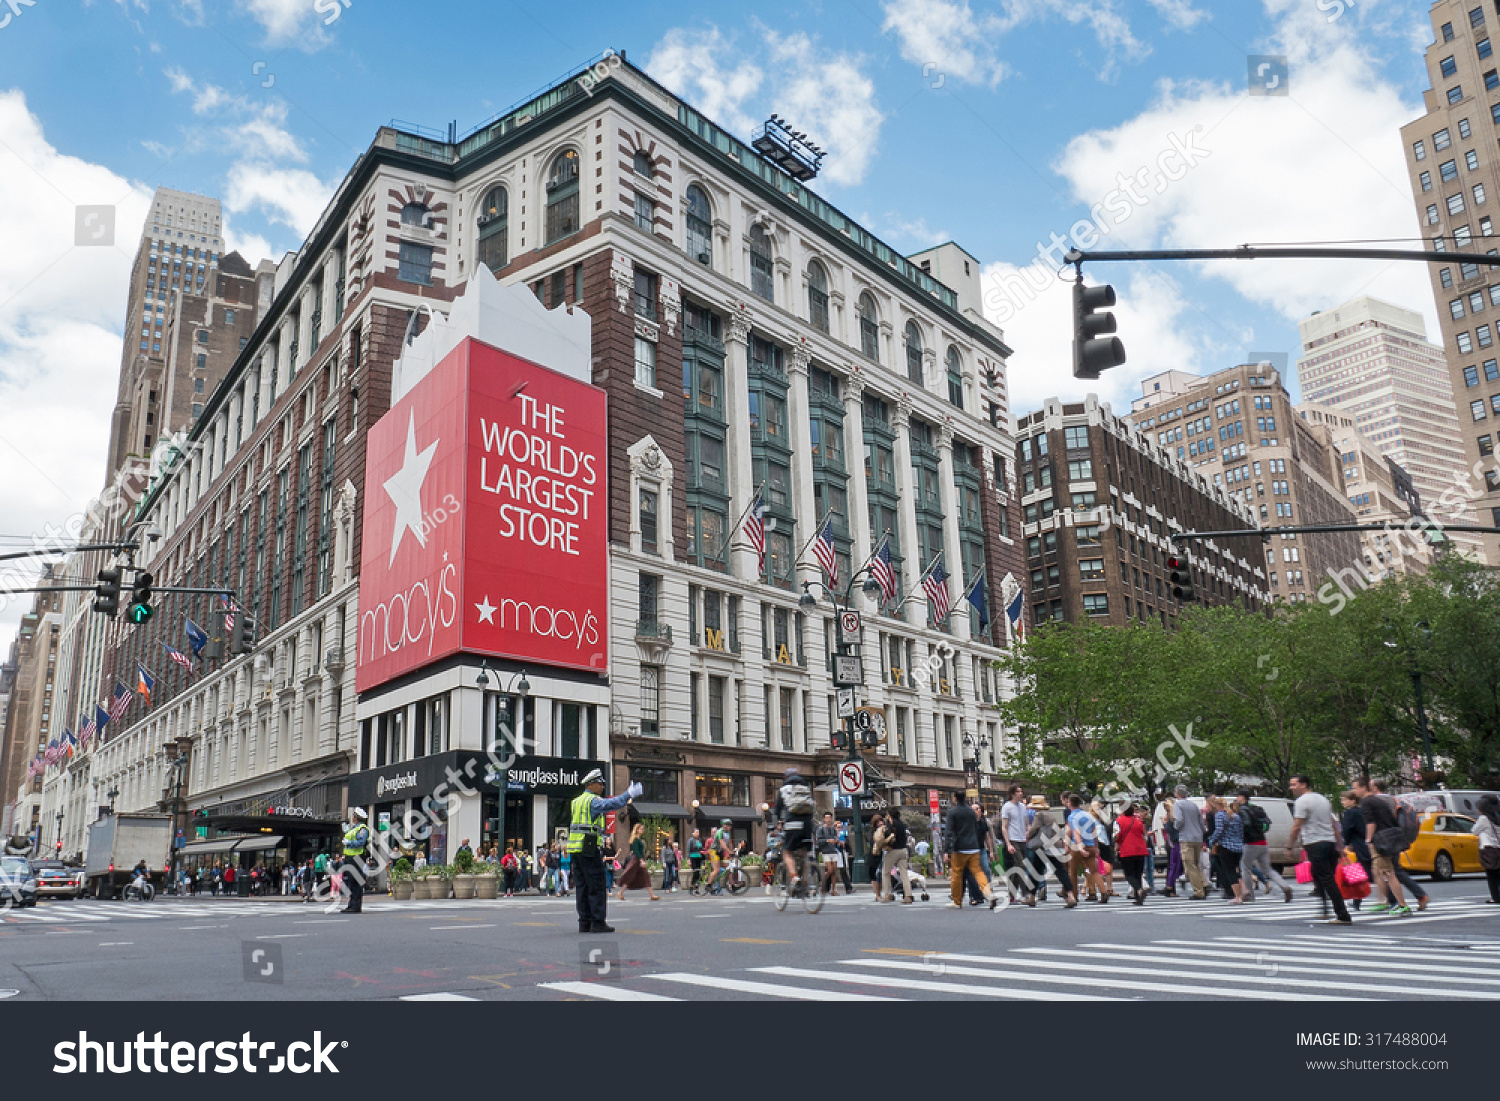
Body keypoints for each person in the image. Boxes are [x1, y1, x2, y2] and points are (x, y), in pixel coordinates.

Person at [566, 768, 643, 934]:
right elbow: (611, 804)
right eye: (600, 784)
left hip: (575, 849)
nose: (602, 787)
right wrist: (628, 794)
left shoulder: (576, 801)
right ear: (591, 784)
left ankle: (584, 922)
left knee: (582, 886)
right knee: (597, 884)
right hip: (588, 848)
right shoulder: (592, 801)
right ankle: (597, 922)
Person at [1289, 774, 1350, 925]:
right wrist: (1339, 846)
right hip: (1329, 842)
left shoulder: (1302, 801)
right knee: (1319, 876)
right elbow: (1333, 824)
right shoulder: (1323, 799)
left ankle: (1343, 915)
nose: (1291, 788)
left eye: (1294, 784)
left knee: (1327, 879)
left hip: (1315, 843)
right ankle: (1325, 909)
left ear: (1304, 785)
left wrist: (1290, 844)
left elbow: (1297, 825)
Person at [1352, 777, 1409, 916]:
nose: (1354, 791)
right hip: (1388, 839)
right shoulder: (1378, 800)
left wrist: (1368, 840)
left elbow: (1371, 823)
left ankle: (1402, 904)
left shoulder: (1366, 802)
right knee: (1377, 871)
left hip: (1380, 841)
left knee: (1388, 873)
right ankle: (1384, 901)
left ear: (1363, 787)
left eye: (1355, 788)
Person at [1236, 791, 1293, 903]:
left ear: (1243, 797)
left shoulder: (1242, 810)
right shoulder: (1258, 809)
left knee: (1245, 868)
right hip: (1262, 841)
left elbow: (1246, 824)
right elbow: (1267, 821)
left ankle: (1249, 894)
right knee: (1267, 869)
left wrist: (1242, 834)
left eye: (1238, 796)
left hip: (1250, 843)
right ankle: (1285, 886)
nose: (1237, 799)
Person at [944, 791, 999, 910]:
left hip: (959, 848)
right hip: (974, 846)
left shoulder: (952, 812)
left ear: (955, 798)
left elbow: (948, 832)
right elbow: (976, 828)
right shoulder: (971, 812)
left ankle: (957, 901)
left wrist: (946, 850)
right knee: (978, 872)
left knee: (957, 874)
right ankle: (988, 893)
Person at [773, 768, 816, 892]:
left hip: (792, 823)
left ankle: (794, 876)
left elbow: (777, 810)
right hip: (807, 824)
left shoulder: (783, 789)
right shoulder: (806, 789)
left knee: (787, 852)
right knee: (804, 853)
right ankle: (807, 881)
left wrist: (774, 825)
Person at [1065, 794, 1106, 904]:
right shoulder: (1087, 815)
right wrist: (1096, 846)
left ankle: (1074, 896)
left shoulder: (1072, 816)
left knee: (1072, 872)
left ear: (1069, 803)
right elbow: (1094, 832)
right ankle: (1103, 892)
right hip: (1091, 845)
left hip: (1077, 847)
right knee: (1094, 871)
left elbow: (1075, 833)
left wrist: (1078, 847)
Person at [1205, 795, 1246, 903]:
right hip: (1238, 847)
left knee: (1230, 871)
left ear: (1218, 805)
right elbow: (1241, 831)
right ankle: (1242, 892)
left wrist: (1212, 840)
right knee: (1237, 870)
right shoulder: (1235, 816)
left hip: (1226, 846)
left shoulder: (1219, 815)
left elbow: (1219, 830)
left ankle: (1237, 896)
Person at [1000, 785, 1035, 906]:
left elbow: (1026, 823)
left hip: (1022, 839)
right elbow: (1004, 827)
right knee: (1021, 866)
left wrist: (1027, 832)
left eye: (1021, 791)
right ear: (1012, 794)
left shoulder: (1022, 807)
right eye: (1018, 791)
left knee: (1018, 867)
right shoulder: (1007, 807)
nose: (1021, 793)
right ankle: (1025, 894)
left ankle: (1011, 894)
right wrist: (1008, 843)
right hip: (1013, 838)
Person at [1171, 786, 1208, 899]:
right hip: (1197, 837)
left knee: (1189, 866)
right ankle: (1204, 883)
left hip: (1186, 837)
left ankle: (1198, 891)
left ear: (1177, 793)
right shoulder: (1193, 805)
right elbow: (1201, 822)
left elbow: (1179, 819)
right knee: (1196, 864)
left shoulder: (1178, 804)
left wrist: (1175, 826)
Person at [1339, 791, 1373, 910]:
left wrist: (1344, 844)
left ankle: (1393, 899)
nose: (1342, 802)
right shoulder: (1360, 811)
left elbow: (1347, 830)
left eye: (1344, 800)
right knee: (1364, 875)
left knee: (1366, 875)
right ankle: (1356, 902)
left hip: (1359, 846)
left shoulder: (1349, 813)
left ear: (1353, 801)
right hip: (1366, 845)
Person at [1114, 801, 1150, 905]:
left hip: (1127, 850)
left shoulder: (1119, 821)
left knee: (1129, 874)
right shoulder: (1138, 821)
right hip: (1140, 849)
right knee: (1138, 873)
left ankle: (1138, 890)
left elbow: (1116, 836)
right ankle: (1138, 897)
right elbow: (1143, 834)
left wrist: (1116, 843)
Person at [615, 822, 660, 902]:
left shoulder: (639, 839)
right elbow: (636, 851)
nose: (643, 830)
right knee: (630, 876)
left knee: (645, 877)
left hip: (638, 860)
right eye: (641, 829)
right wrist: (641, 860)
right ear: (637, 830)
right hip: (636, 860)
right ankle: (620, 892)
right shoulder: (635, 839)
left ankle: (652, 895)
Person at [339, 808, 371, 914]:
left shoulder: (362, 829)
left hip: (356, 858)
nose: (352, 818)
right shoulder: (354, 828)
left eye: (353, 816)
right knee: (351, 882)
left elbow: (361, 842)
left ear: (356, 817)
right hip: (350, 858)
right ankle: (351, 904)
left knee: (356, 882)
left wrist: (349, 843)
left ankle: (356, 906)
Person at [878, 812, 913, 903]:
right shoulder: (902, 824)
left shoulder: (890, 823)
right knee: (904, 874)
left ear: (890, 815)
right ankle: (908, 895)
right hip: (904, 850)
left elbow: (888, 835)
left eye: (887, 815)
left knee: (885, 872)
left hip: (893, 850)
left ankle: (887, 894)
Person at [1473, 794, 1500, 904]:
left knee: (1491, 875)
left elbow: (1474, 831)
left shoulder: (1483, 819)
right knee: (1498, 874)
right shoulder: (1497, 817)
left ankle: (1495, 897)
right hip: (1498, 848)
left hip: (1488, 849)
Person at [1158, 796, 1181, 898]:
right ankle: (1170, 887)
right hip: (1176, 842)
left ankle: (1170, 886)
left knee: (1172, 865)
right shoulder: (1174, 817)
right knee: (1176, 865)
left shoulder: (1169, 817)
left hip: (1171, 842)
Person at [815, 812, 842, 895]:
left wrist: (836, 841)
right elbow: (818, 840)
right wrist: (827, 840)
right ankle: (821, 884)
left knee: (834, 871)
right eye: (826, 818)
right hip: (826, 851)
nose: (828, 819)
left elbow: (835, 838)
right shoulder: (821, 829)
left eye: (829, 818)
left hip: (833, 851)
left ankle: (833, 890)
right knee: (829, 870)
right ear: (824, 819)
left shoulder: (833, 829)